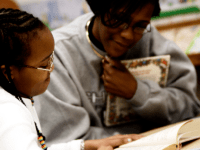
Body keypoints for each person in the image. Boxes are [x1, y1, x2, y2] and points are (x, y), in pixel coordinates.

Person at [34, 0, 200, 148]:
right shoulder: (56, 56)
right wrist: (140, 142)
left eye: (140, 25)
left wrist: (138, 92)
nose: (128, 35)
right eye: (119, 20)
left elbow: (190, 109)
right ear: (98, 9)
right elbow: (71, 140)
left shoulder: (147, 37)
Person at [0, 8, 139, 150]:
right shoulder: (9, 112)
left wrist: (82, 146)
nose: (51, 68)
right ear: (7, 72)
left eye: (51, 59)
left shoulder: (15, 97)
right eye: (43, 65)